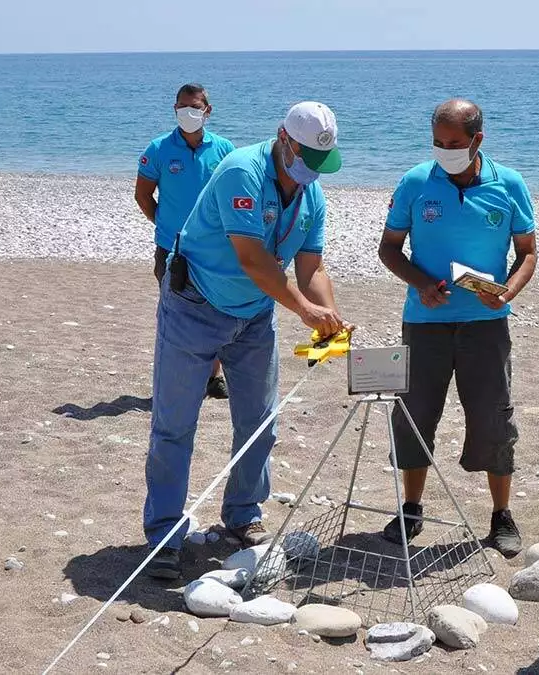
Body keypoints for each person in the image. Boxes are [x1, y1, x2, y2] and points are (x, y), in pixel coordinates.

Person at [143, 101, 350, 579]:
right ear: (283, 138)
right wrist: (303, 308)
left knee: (259, 421)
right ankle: (164, 535)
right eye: (304, 159)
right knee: (175, 425)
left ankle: (242, 515)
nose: (310, 173)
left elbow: (311, 267)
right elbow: (253, 260)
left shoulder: (311, 195)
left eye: (320, 165)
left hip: (255, 316)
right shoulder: (242, 172)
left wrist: (329, 314)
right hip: (195, 305)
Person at [377, 99, 538, 558]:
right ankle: (411, 507)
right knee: (414, 414)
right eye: (438, 143)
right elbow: (389, 249)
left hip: (486, 325)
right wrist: (421, 284)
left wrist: (506, 292)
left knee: (493, 417)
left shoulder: (509, 184)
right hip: (424, 322)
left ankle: (501, 514)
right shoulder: (414, 182)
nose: (445, 151)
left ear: (477, 140)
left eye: (455, 144)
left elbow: (528, 252)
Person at [135, 83, 235, 400]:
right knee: (176, 315)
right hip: (171, 249)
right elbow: (143, 195)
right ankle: (179, 381)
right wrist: (165, 226)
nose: (187, 113)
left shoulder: (224, 149)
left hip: (215, 248)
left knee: (217, 310)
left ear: (208, 110)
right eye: (181, 106)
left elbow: (234, 195)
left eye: (194, 107)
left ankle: (212, 377)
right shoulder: (158, 149)